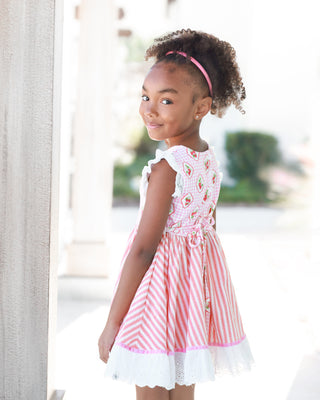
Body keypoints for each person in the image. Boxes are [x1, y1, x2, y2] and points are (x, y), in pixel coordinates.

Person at [98, 29, 254, 400]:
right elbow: (208, 229)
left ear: (201, 107)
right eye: (145, 96)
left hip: (159, 297)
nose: (149, 109)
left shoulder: (168, 167)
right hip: (190, 299)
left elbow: (144, 250)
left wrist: (113, 322)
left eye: (166, 101)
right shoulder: (207, 159)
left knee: (151, 388)